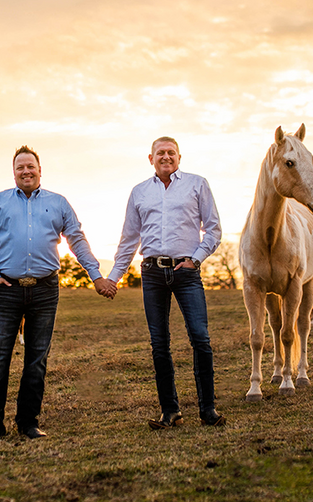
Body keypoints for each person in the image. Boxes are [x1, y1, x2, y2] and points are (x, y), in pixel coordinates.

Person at [0, 146, 115, 446]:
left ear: (39, 169)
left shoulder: (58, 203)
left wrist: (96, 275)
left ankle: (28, 422)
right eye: (20, 167)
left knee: (37, 358)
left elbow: (77, 240)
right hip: (6, 290)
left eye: (30, 166)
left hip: (45, 290)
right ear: (14, 172)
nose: (26, 171)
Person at [101, 136, 225, 429]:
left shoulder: (197, 184)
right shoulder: (139, 192)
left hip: (186, 272)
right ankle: (170, 411)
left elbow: (214, 229)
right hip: (152, 273)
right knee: (159, 344)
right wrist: (113, 277)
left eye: (171, 153)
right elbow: (129, 239)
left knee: (200, 339)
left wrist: (195, 260)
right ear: (151, 158)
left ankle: (208, 409)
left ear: (179, 158)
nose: (165, 157)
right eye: (160, 153)